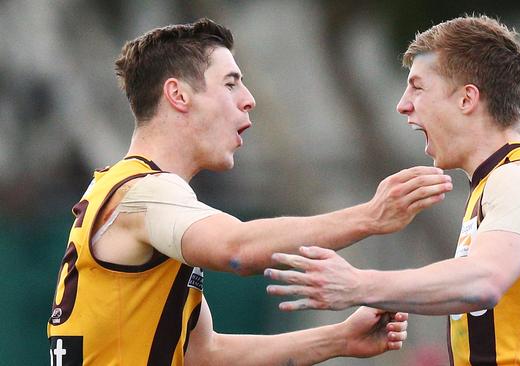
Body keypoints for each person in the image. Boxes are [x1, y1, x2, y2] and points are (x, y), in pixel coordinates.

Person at [46, 18, 454, 365]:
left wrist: (339, 340)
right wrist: (369, 217)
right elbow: (236, 248)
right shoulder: (146, 193)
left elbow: (204, 354)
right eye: (230, 84)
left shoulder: (123, 189)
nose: (249, 100)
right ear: (178, 95)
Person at [265, 15, 520, 366]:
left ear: (467, 99)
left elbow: (484, 281)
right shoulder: (502, 179)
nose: (403, 104)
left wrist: (359, 284)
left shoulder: (519, 178)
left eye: (417, 87)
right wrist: (387, 301)